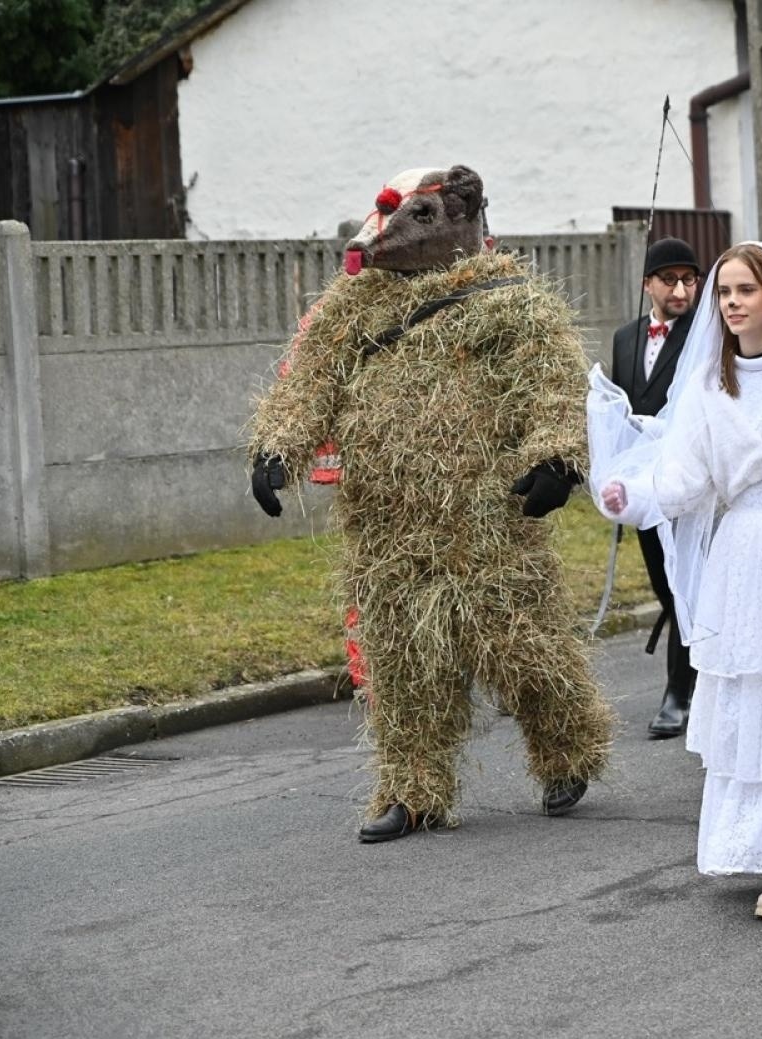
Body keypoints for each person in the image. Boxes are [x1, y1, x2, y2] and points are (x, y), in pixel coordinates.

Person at [247, 165, 616, 842]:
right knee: (400, 663)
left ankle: (566, 750)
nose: (389, 236)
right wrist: (278, 448)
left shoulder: (510, 301)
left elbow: (553, 387)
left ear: (460, 220)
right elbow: (310, 383)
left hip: (484, 524)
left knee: (522, 651)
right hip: (384, 529)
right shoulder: (355, 306)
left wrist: (556, 458)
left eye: (417, 218)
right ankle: (411, 790)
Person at [596, 242, 762, 919]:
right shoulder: (710, 387)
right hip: (743, 554)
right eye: (725, 292)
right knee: (755, 699)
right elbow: (685, 477)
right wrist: (632, 493)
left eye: (744, 289)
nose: (731, 302)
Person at [608, 237, 702, 739]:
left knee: (687, 585)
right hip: (643, 485)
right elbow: (621, 411)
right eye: (670, 279)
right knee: (666, 587)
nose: (681, 289)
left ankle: (679, 693)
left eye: (689, 279)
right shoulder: (626, 338)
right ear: (648, 284)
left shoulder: (707, 334)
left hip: (689, 480)